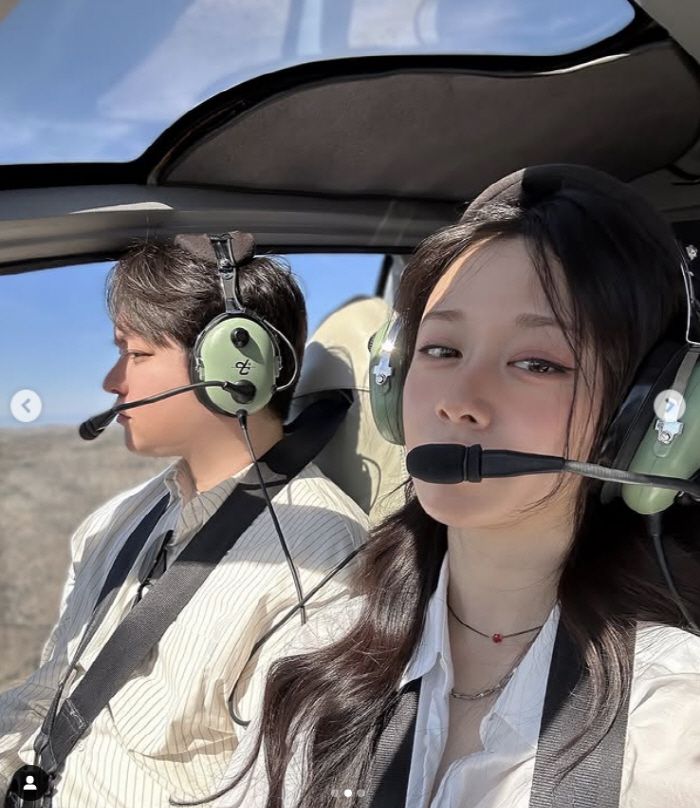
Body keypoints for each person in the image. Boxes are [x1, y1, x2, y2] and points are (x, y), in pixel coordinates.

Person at [204, 166, 700, 808]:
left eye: (536, 363)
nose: (459, 401)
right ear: (392, 380)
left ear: (641, 419)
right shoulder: (317, 657)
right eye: (441, 350)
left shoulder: (670, 726)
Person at [0, 235, 368, 807]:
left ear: (232, 366)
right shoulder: (119, 519)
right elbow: (51, 688)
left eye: (136, 354)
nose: (111, 381)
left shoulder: (318, 565)